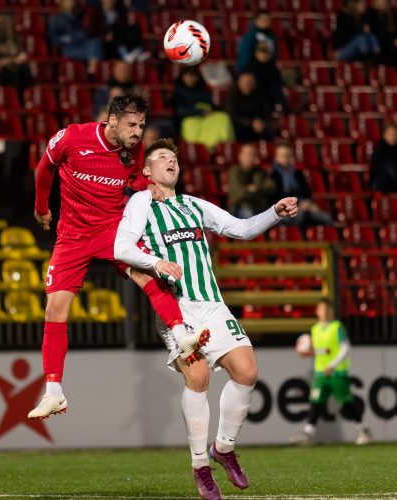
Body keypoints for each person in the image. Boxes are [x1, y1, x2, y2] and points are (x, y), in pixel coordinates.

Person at [114, 138, 298, 499]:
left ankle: (224, 449)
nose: (171, 161)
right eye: (162, 157)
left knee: (247, 372)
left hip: (212, 304)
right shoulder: (141, 203)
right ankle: (200, 466)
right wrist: (156, 263)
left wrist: (274, 211)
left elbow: (241, 229)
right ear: (147, 171)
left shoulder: (193, 205)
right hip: (176, 307)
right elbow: (121, 247)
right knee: (197, 378)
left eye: (174, 158)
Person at [28, 92, 206, 421]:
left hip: (113, 230)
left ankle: (181, 335)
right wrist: (42, 208)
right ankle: (54, 392)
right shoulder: (72, 137)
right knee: (54, 309)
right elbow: (44, 168)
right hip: (73, 236)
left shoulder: (133, 150)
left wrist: (146, 185)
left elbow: (132, 177)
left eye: (141, 125)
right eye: (132, 124)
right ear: (112, 120)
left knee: (148, 274)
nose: (138, 132)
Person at [290, 299, 371, 446]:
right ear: (317, 311)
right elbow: (320, 351)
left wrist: (332, 365)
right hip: (320, 374)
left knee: (346, 404)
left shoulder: (337, 327)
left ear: (331, 311)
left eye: (328, 309)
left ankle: (363, 430)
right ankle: (308, 433)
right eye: (322, 309)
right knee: (315, 402)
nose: (325, 312)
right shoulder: (314, 329)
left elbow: (345, 348)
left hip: (337, 373)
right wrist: (308, 352)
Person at [272, 144, 332, 233]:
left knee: (327, 218)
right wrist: (297, 206)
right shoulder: (273, 176)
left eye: (287, 155)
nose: (285, 158)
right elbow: (275, 199)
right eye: (282, 155)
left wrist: (308, 203)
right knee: (300, 216)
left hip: (303, 205)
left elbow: (307, 192)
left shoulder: (298, 173)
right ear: (276, 158)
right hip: (286, 210)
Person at [173, 66, 234, 149]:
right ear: (183, 77)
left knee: (223, 118)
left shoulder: (203, 90)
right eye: (187, 76)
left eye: (193, 76)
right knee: (188, 123)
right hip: (191, 117)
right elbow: (180, 110)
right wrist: (200, 112)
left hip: (208, 116)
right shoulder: (179, 92)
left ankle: (222, 146)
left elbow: (212, 105)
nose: (190, 78)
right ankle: (204, 149)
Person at [48, 0, 103, 75]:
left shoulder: (77, 16)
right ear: (62, 3)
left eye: (72, 1)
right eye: (68, 1)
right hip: (67, 49)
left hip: (81, 45)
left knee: (95, 42)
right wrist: (67, 39)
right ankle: (93, 72)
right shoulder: (56, 19)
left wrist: (78, 36)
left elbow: (83, 33)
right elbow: (53, 39)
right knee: (95, 52)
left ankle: (92, 70)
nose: (70, 3)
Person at [227, 143, 277, 218]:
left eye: (253, 155)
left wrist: (256, 189)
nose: (250, 158)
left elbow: (271, 187)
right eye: (247, 155)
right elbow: (239, 193)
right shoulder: (234, 172)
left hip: (258, 207)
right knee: (250, 216)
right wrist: (256, 191)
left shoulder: (259, 171)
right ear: (240, 156)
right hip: (241, 208)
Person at [226, 72, 274, 143]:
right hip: (239, 126)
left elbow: (266, 110)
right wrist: (251, 124)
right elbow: (232, 115)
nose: (247, 85)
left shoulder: (260, 94)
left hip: (258, 126)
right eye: (245, 82)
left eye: (250, 82)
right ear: (239, 83)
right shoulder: (232, 95)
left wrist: (262, 122)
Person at [242, 41, 288, 114]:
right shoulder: (249, 68)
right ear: (256, 53)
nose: (263, 54)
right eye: (261, 51)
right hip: (253, 99)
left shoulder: (272, 68)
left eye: (265, 51)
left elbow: (278, 85)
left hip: (269, 100)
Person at [365, 0, 397, 66]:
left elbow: (394, 29)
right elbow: (375, 31)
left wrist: (395, 38)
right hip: (378, 41)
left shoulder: (391, 13)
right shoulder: (371, 13)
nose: (381, 2)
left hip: (390, 40)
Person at [370, 123, 397, 192]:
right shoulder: (379, 150)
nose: (393, 136)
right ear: (384, 135)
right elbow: (374, 170)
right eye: (390, 133)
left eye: (394, 134)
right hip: (381, 184)